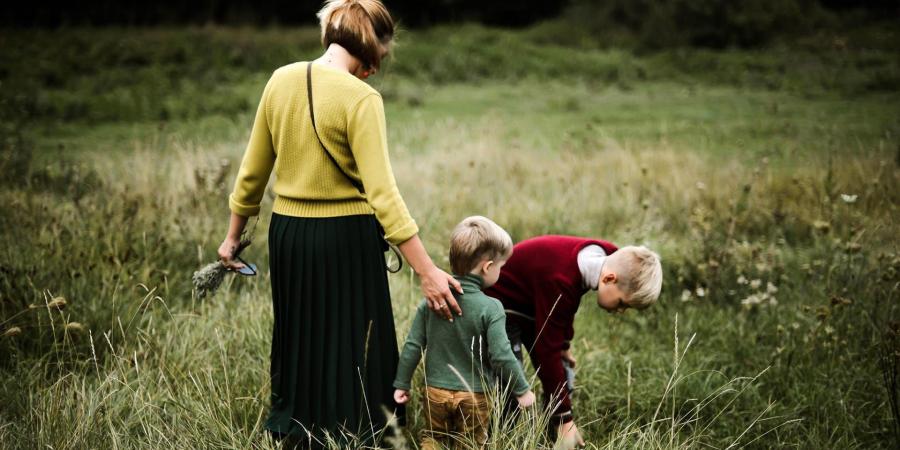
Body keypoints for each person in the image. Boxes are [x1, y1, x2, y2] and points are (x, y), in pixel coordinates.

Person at [217, 1, 462, 447]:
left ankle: (299, 430)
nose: (374, 72)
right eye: (379, 60)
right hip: (345, 238)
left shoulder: (280, 79)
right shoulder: (361, 99)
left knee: (300, 335)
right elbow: (384, 197)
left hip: (288, 234)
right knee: (362, 343)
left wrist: (233, 237)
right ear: (370, 46)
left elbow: (252, 173)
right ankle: (367, 433)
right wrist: (427, 272)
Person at [484, 235, 662, 449]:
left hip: (532, 305)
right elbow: (546, 347)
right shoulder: (562, 278)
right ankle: (498, 439)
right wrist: (565, 420)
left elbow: (564, 309)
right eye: (623, 303)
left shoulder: (607, 256)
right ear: (609, 279)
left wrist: (564, 345)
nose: (621, 311)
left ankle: (552, 429)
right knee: (511, 384)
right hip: (500, 308)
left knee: (563, 371)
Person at [393, 216, 536, 450]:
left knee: (433, 439)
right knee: (469, 444)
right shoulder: (492, 308)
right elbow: (501, 355)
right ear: (487, 267)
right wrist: (522, 390)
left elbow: (413, 345)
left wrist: (402, 383)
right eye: (501, 266)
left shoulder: (431, 303)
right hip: (475, 395)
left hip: (434, 392)